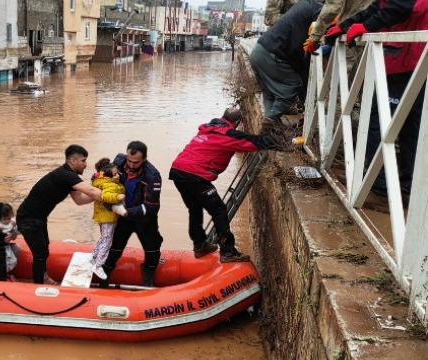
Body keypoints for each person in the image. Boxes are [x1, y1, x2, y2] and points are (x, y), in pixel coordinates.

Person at [324, 0, 426, 197]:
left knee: (379, 121)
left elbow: (406, 6)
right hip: (407, 60)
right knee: (409, 125)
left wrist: (366, 26)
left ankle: (379, 181)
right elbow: (375, 9)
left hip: (405, 61)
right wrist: (344, 26)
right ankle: (407, 179)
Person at [169, 108, 295, 263]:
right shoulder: (227, 133)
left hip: (177, 171)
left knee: (195, 208)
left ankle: (200, 245)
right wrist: (285, 143)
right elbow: (252, 143)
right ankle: (228, 252)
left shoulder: (207, 130)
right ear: (237, 122)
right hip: (195, 176)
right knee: (219, 210)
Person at [16, 145, 103, 284]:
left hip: (38, 218)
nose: (86, 165)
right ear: (73, 161)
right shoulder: (65, 175)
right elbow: (92, 192)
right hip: (28, 219)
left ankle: (44, 278)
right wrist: (112, 195)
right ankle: (38, 287)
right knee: (40, 254)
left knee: (44, 250)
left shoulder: (68, 176)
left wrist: (100, 194)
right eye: (83, 161)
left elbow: (80, 200)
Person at [250, 0, 324, 128]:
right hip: (272, 54)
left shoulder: (302, 6)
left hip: (258, 51)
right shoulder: (318, 10)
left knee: (270, 93)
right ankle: (271, 118)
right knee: (293, 84)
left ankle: (270, 125)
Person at [99, 141, 163, 288]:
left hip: (144, 219)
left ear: (145, 158)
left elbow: (152, 207)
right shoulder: (119, 163)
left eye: (136, 162)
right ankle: (102, 282)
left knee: (153, 252)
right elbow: (105, 179)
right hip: (122, 220)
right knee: (113, 252)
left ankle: (148, 275)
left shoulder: (153, 176)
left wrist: (128, 211)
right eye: (129, 161)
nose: (132, 165)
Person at [90, 157, 126, 281]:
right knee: (107, 241)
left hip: (104, 215)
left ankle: (95, 254)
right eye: (116, 174)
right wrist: (118, 196)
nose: (118, 175)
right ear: (109, 175)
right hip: (107, 217)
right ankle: (98, 265)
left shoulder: (103, 181)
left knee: (104, 237)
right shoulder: (109, 184)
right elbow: (106, 195)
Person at [0, 202, 22, 281]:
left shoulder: (11, 222)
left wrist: (13, 231)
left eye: (8, 219)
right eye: (4, 219)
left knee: (17, 248)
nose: (7, 221)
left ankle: (5, 273)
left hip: (5, 246)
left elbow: (14, 237)